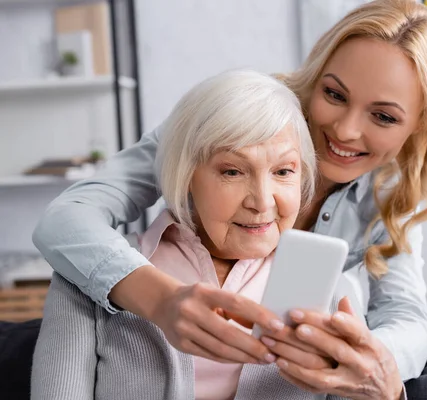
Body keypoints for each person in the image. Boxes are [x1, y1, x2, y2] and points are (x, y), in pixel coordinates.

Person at [33, 0, 427, 398]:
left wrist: (361, 359)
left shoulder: (390, 200)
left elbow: (408, 316)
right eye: (334, 94)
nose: (346, 130)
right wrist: (161, 300)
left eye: (383, 116)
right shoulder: (224, 122)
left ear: (418, 126)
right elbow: (69, 217)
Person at [32, 69, 355, 400]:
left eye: (283, 171)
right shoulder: (86, 275)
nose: (261, 201)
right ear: (186, 175)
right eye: (232, 171)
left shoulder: (330, 288)